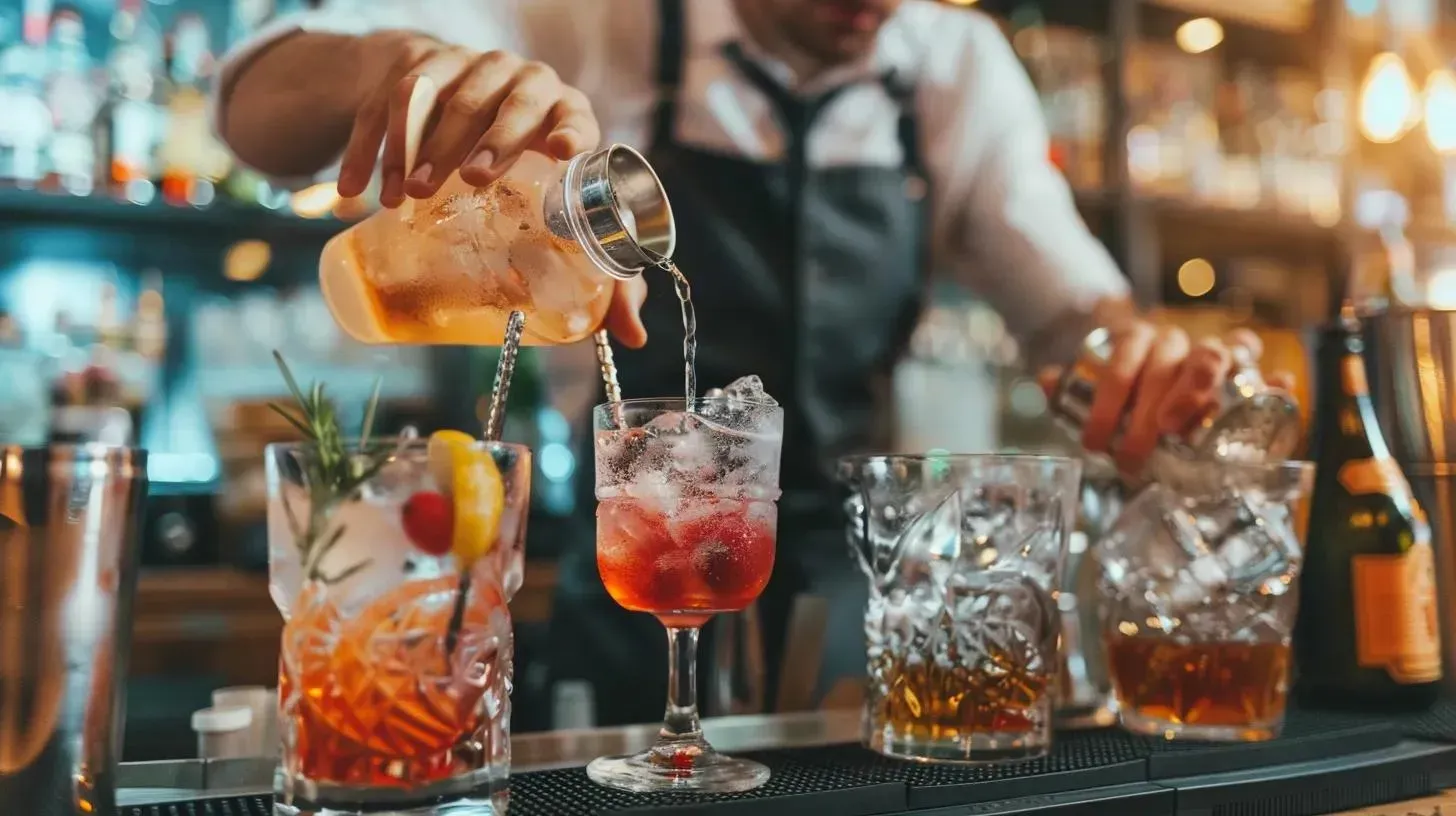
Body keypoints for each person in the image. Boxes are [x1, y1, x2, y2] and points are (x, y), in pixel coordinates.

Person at [215, 0, 1283, 725]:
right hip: (626, 591)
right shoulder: (592, 19)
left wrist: (1136, 360)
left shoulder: (952, 63)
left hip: (848, 611)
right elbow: (255, 106)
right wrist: (393, 70)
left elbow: (1072, 321)